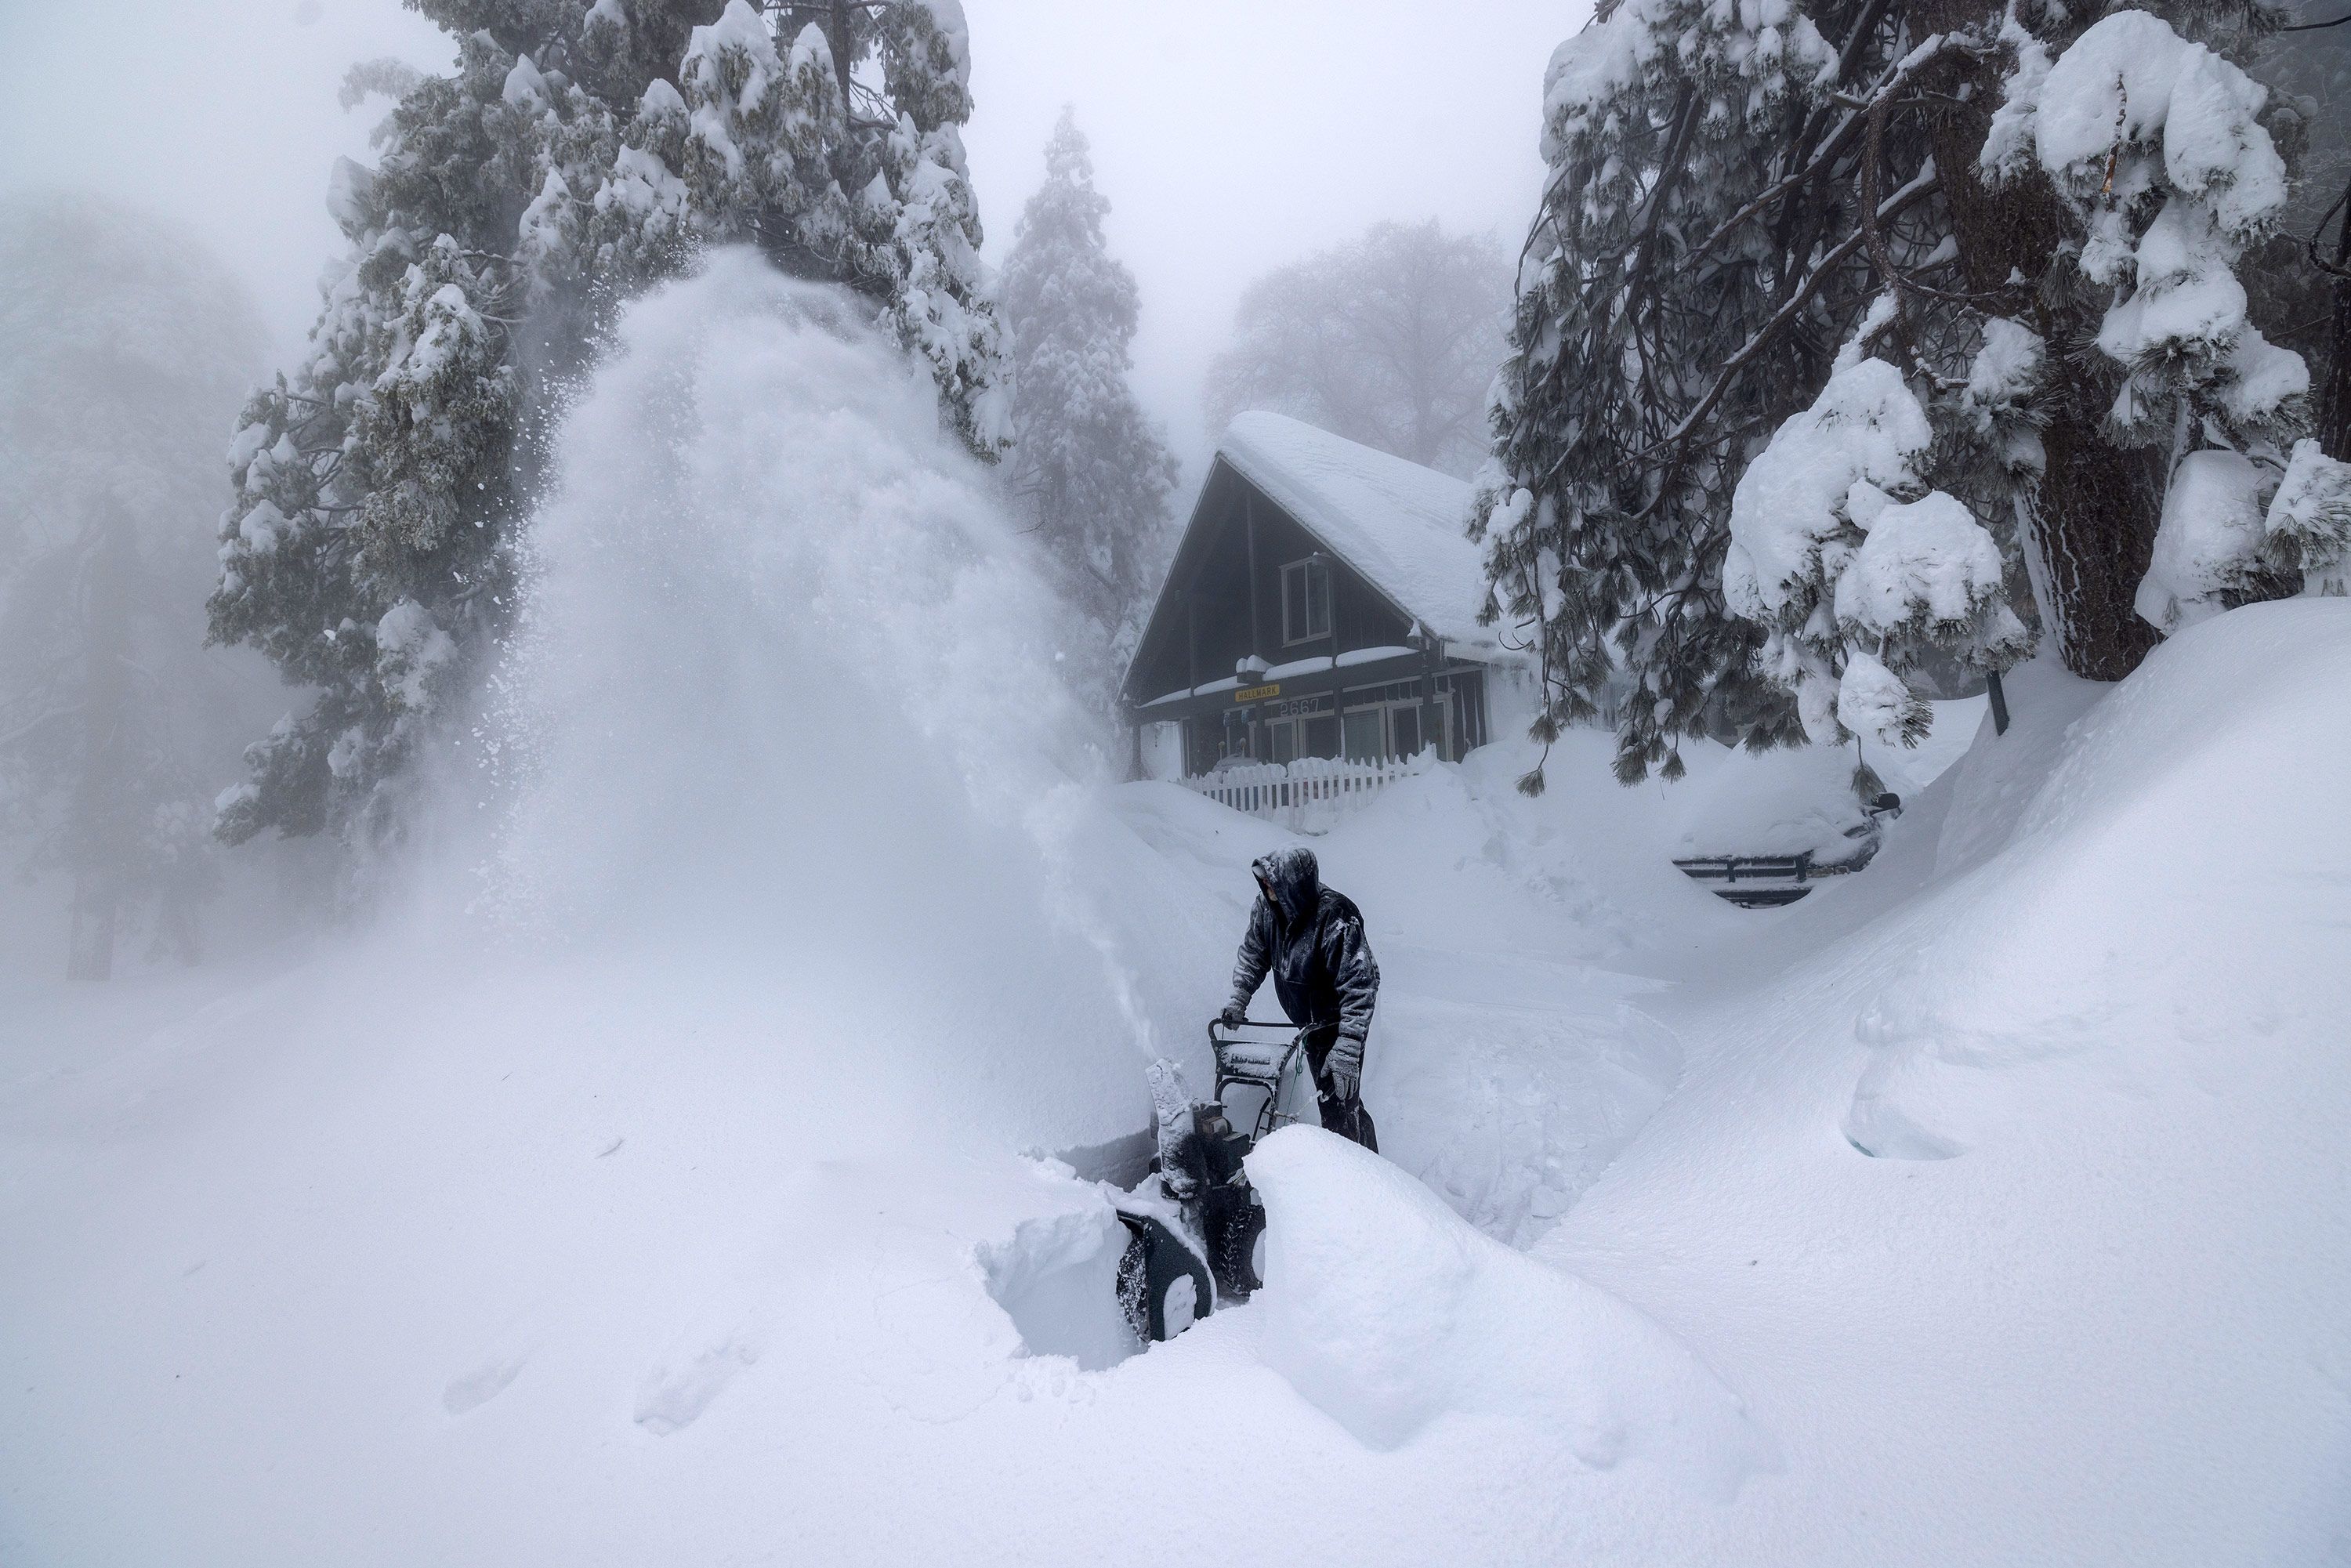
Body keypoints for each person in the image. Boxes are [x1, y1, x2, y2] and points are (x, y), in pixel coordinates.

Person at [1219, 846, 1380, 1151]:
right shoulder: (1267, 910)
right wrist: (1240, 996)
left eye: (1273, 882)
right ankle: (1369, 1163)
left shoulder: (1336, 915)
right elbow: (1255, 954)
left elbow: (1361, 985)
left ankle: (1356, 1181)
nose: (1266, 887)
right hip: (1309, 1023)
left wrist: (1347, 1048)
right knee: (1339, 1101)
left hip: (1341, 1022)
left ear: (1294, 883)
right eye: (1264, 881)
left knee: (1338, 1105)